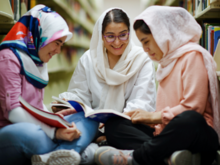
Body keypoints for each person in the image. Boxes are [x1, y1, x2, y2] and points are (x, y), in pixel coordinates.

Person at [94, 6, 220, 165]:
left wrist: (154, 116)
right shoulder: (166, 62)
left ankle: (138, 157)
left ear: (162, 34)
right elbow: (167, 111)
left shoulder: (192, 56)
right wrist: (142, 118)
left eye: (146, 42)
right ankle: (170, 156)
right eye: (141, 43)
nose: (145, 50)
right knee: (114, 125)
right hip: (168, 131)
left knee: (191, 119)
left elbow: (193, 108)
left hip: (197, 133)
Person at [55, 7, 156, 164]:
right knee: (75, 122)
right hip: (95, 126)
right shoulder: (88, 59)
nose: (117, 42)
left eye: (123, 35)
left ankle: (95, 147)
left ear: (129, 32)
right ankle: (101, 145)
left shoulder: (142, 59)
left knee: (115, 128)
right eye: (110, 36)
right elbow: (79, 94)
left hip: (127, 127)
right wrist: (66, 102)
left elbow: (142, 103)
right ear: (101, 36)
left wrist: (110, 124)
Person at [0, 5, 98, 165]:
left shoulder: (38, 61)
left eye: (61, 45)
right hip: (12, 129)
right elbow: (13, 113)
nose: (58, 51)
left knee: (90, 117)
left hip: (37, 125)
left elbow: (37, 106)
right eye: (57, 43)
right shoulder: (8, 58)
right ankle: (74, 150)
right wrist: (54, 131)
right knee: (33, 135)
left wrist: (58, 122)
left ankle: (56, 156)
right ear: (40, 34)